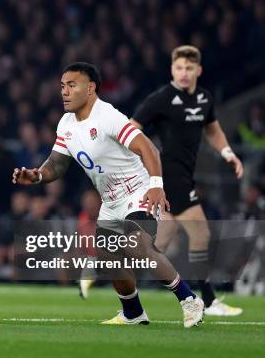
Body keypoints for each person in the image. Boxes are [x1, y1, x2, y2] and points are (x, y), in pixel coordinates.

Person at [13, 62, 205, 328]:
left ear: (90, 88)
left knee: (137, 244)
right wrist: (38, 175)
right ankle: (133, 313)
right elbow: (57, 163)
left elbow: (148, 148)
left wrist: (156, 185)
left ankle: (189, 299)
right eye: (62, 86)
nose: (64, 92)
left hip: (138, 190)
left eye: (71, 85)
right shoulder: (66, 124)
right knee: (107, 254)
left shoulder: (108, 117)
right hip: (111, 200)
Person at [132, 45, 244, 316]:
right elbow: (131, 128)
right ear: (172, 69)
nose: (183, 73)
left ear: (198, 70)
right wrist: (142, 160)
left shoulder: (205, 98)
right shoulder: (161, 99)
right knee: (200, 232)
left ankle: (110, 268)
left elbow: (213, 130)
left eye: (189, 68)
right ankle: (207, 299)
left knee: (161, 242)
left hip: (185, 174)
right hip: (169, 174)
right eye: (179, 68)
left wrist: (228, 153)